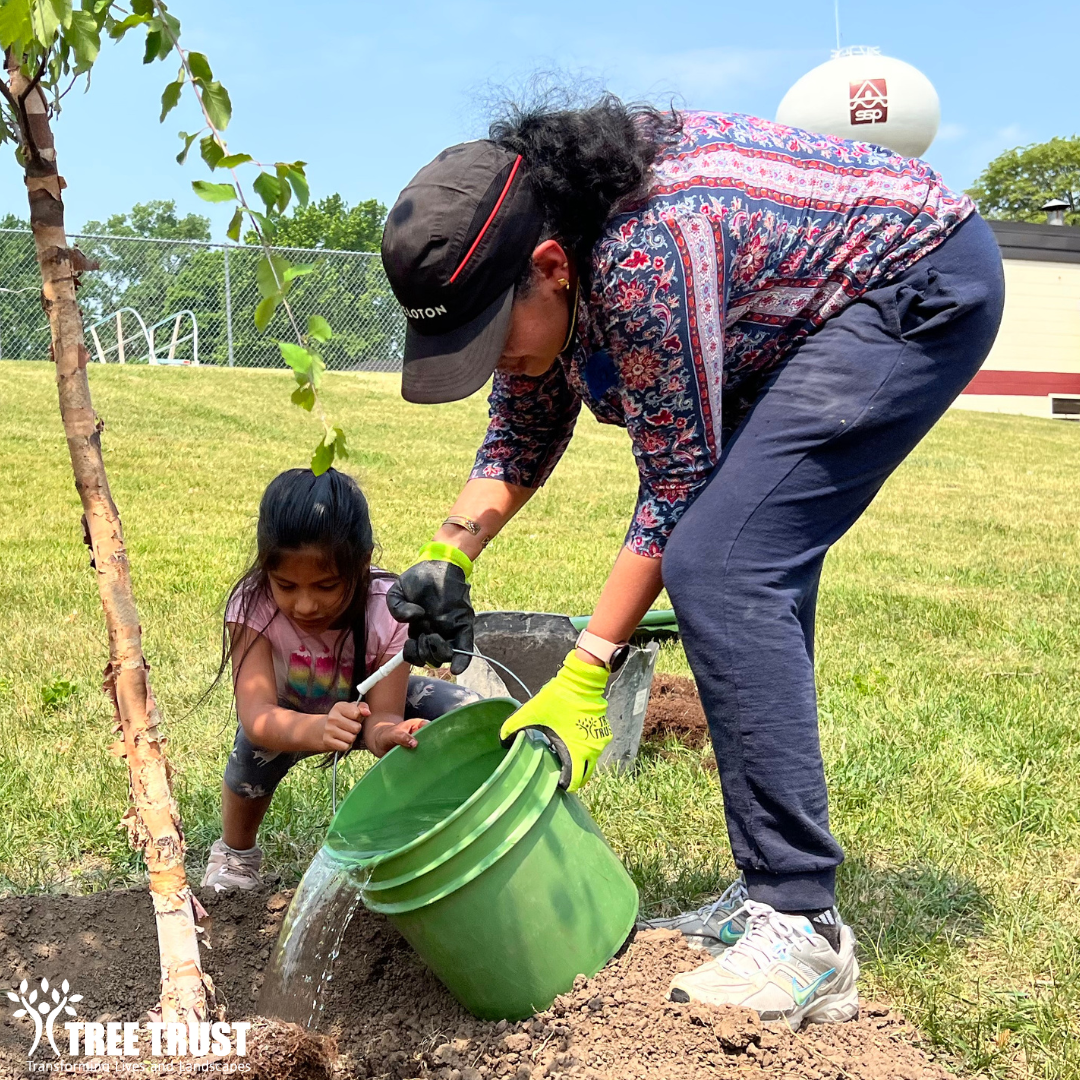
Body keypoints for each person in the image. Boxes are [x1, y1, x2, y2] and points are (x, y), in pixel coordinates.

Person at [379, 95, 1004, 1027]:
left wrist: (587, 671)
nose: (491, 365)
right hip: (805, 319)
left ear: (549, 268)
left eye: (489, 337)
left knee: (724, 562)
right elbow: (523, 426)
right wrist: (446, 556)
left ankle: (802, 922)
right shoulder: (560, 249)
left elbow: (676, 490)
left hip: (913, 285)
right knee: (745, 560)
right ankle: (772, 895)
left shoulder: (640, 254)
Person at [201, 468, 477, 892]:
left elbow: (381, 714)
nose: (305, 604)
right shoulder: (253, 605)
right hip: (287, 712)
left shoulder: (388, 609)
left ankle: (453, 836)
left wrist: (388, 734)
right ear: (265, 569)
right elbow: (256, 716)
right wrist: (318, 728)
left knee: (462, 708)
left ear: (362, 564)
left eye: (327, 585)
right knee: (252, 755)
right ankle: (236, 855)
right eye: (286, 585)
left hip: (363, 707)